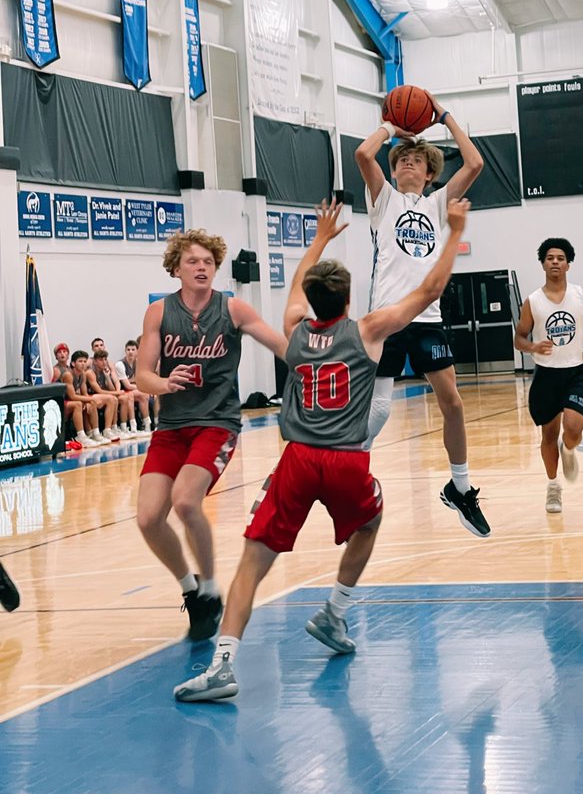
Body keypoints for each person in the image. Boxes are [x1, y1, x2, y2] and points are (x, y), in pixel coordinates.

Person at [173, 195, 471, 702]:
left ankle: (222, 665)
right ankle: (334, 611)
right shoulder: (368, 331)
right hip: (348, 459)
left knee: (251, 562)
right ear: (351, 301)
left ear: (311, 302)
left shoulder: (294, 332)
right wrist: (453, 231)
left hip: (297, 459)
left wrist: (318, 239)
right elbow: (431, 289)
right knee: (370, 522)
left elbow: (294, 292)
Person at [136, 229, 287, 642]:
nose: (201, 268)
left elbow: (281, 344)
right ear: (176, 269)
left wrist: (320, 361)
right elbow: (142, 376)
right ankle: (191, 589)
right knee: (149, 518)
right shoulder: (158, 313)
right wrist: (165, 384)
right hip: (172, 427)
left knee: (185, 500)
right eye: (193, 262)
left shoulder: (233, 309)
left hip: (217, 423)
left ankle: (211, 586)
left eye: (208, 262)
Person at [355, 94, 490, 538]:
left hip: (428, 317)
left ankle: (461, 487)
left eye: (418, 160)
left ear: (431, 172)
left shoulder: (436, 203)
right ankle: (351, 476)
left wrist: (444, 115)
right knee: (377, 412)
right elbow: (361, 153)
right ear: (395, 168)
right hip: (387, 318)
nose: (409, 164)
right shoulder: (384, 199)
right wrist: (393, 128)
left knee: (452, 402)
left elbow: (473, 164)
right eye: (403, 160)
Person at [514, 238, 583, 513]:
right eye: (550, 257)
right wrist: (532, 346)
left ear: (568, 264)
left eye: (560, 258)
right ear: (543, 263)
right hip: (546, 375)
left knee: (574, 430)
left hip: (577, 371)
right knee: (548, 435)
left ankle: (570, 449)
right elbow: (519, 337)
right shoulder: (533, 301)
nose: (555, 262)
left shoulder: (582, 295)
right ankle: (553, 487)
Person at [71, 351, 119, 443]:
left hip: (85, 397)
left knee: (111, 399)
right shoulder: (83, 373)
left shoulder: (83, 374)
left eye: (84, 361)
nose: (104, 362)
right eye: (80, 361)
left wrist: (108, 377)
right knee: (84, 403)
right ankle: (87, 433)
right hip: (70, 400)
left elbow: (84, 392)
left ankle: (105, 431)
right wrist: (88, 400)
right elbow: (72, 396)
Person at [115, 339, 154, 434]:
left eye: (133, 350)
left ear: (137, 351)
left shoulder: (139, 363)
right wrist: (142, 387)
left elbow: (141, 380)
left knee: (144, 395)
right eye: (128, 350)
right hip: (123, 391)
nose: (130, 352)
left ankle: (147, 423)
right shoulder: (120, 364)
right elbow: (127, 385)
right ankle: (133, 426)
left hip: (133, 390)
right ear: (125, 351)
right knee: (132, 395)